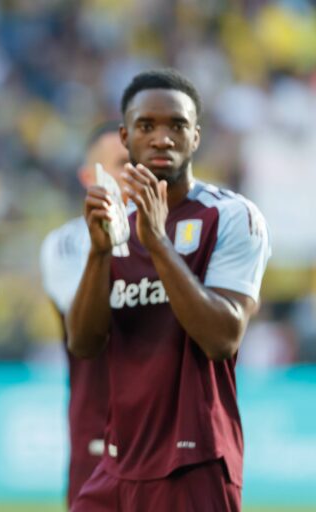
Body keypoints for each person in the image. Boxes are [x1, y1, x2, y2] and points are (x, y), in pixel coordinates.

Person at [67, 69, 271, 511]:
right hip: (119, 461)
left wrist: (157, 241)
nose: (162, 138)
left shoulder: (230, 217)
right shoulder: (112, 224)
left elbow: (222, 338)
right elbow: (83, 344)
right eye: (146, 126)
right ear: (126, 136)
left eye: (177, 125)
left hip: (194, 462)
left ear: (195, 136)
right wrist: (99, 254)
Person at [39, 121, 129, 507]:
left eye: (137, 163)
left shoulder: (177, 234)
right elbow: (89, 326)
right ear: (87, 178)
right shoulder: (66, 244)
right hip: (98, 431)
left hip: (169, 432)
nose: (131, 173)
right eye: (120, 164)